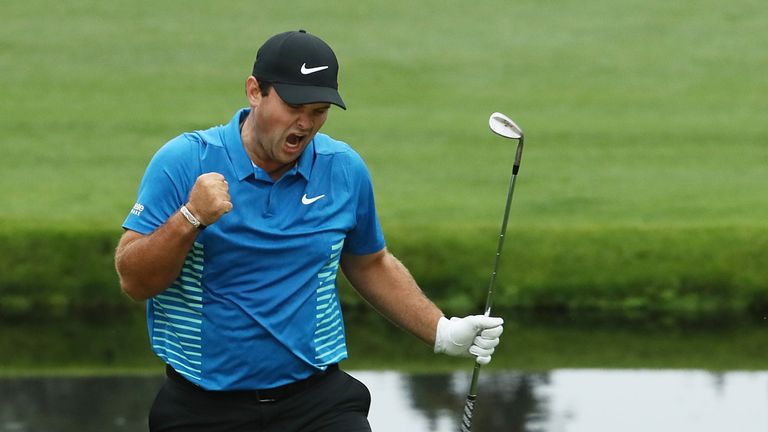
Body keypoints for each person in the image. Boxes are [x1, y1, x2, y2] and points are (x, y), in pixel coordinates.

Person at [115, 29, 504, 432]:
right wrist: (190, 218)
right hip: (202, 406)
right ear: (254, 92)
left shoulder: (343, 168)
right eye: (294, 106)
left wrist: (442, 331)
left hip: (316, 403)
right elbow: (135, 281)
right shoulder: (185, 161)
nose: (305, 123)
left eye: (319, 110)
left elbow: (369, 262)